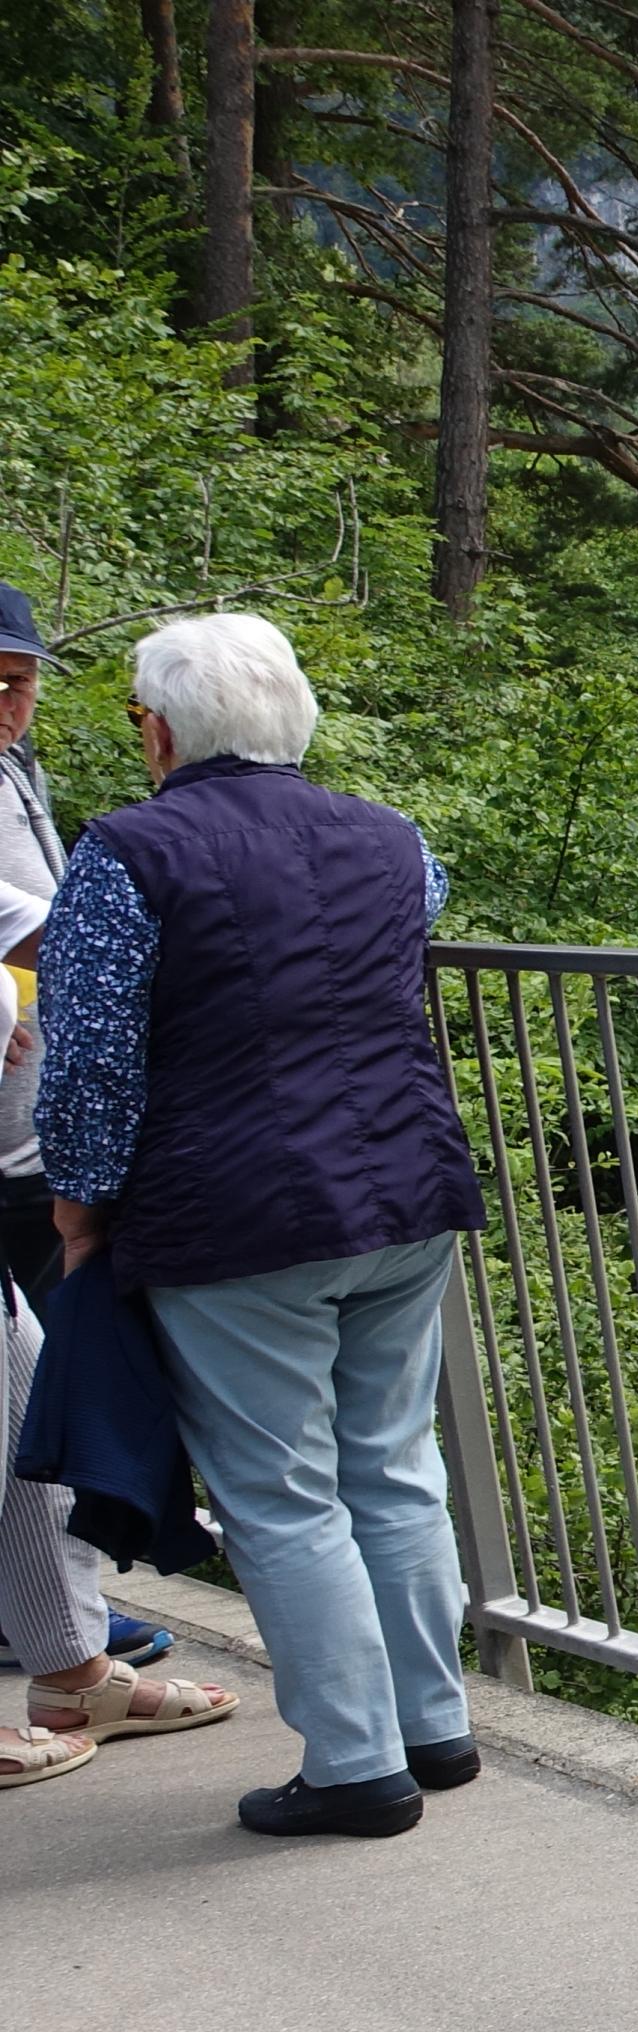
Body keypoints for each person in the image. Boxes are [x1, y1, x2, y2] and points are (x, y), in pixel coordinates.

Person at [39, 612, 479, 1839]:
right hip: (406, 1191)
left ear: (161, 732)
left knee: (284, 1496)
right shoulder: (395, 838)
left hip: (237, 1216)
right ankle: (433, 1729)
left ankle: (356, 1769)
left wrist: (81, 1206)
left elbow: (89, 1059)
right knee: (394, 1463)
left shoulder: (128, 854)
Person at [0, 582, 185, 1680]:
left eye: (19, 682)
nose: (7, 703)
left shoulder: (18, 769)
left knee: (39, 1384)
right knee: (32, 1386)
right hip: (15, 1141)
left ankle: (54, 1617)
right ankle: (53, 1629)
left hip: (30, 1137)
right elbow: (30, 923)